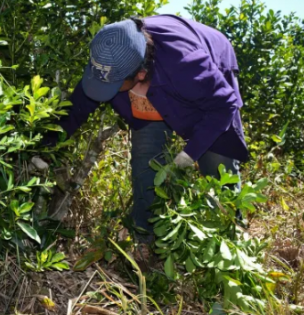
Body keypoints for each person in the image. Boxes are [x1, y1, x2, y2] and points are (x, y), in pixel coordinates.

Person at [44, 15, 248, 243]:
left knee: (217, 158)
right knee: (146, 157)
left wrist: (190, 154)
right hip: (156, 78)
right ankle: (144, 235)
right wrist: (45, 148)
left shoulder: (187, 65)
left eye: (111, 86)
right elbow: (77, 108)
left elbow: (224, 105)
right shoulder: (108, 54)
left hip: (210, 61)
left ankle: (230, 236)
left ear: (140, 75)